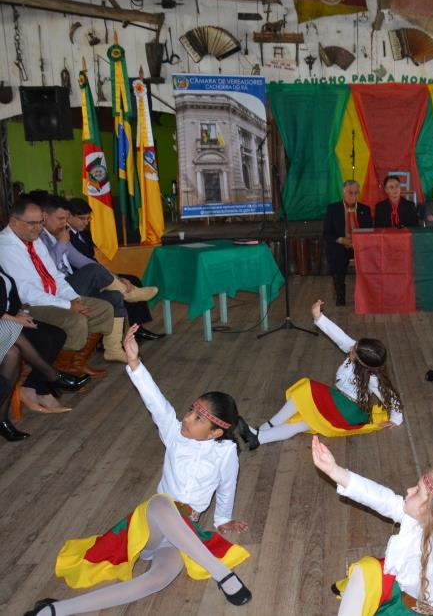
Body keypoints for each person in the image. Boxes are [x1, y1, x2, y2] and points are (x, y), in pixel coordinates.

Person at [25, 325, 252, 615]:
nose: (186, 418)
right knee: (160, 503)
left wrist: (223, 520)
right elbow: (155, 401)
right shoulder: (174, 432)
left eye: (197, 418)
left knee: (156, 580)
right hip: (151, 526)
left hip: (184, 531)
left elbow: (227, 486)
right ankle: (223, 575)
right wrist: (134, 361)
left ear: (214, 434)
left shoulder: (226, 452)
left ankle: (54, 611)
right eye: (190, 410)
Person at [311, 437, 433, 616]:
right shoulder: (414, 520)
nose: (409, 490)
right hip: (398, 596)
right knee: (366, 569)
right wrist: (334, 470)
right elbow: (379, 497)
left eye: (417, 491)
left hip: (424, 613)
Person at [240, 300, 402, 449]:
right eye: (355, 345)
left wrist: (395, 419)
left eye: (354, 350)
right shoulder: (356, 353)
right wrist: (319, 317)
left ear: (363, 362)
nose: (351, 348)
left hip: (348, 412)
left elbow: (390, 396)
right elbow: (340, 336)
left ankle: (264, 429)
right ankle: (259, 436)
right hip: (339, 403)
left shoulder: (373, 378)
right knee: (303, 421)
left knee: (306, 389)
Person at [0, 198, 118, 376]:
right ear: (14, 221)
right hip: (30, 305)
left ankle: (77, 363)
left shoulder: (35, 240)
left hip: (51, 296)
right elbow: (27, 293)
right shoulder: (6, 246)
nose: (38, 228)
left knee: (103, 309)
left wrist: (73, 297)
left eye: (41, 222)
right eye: (32, 223)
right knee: (75, 319)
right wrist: (68, 305)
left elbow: (54, 275)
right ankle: (60, 370)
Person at [0, 268, 88, 434]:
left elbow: (7, 297)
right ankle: (53, 376)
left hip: (6, 321)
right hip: (6, 323)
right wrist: (15, 318)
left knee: (16, 351)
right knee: (15, 338)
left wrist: (18, 312)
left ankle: (2, 418)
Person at [65, 198, 162, 340]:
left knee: (133, 279)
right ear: (69, 216)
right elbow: (83, 263)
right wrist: (115, 277)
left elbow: (93, 260)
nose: (86, 223)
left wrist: (114, 275)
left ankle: (137, 328)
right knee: (119, 290)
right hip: (83, 278)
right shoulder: (65, 236)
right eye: (82, 219)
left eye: (88, 219)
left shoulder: (84, 234)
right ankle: (113, 336)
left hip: (95, 271)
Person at [323, 180, 373, 306]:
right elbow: (327, 233)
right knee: (337, 255)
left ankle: (367, 295)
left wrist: (358, 242)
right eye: (350, 192)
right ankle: (340, 295)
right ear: (343, 192)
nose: (353, 196)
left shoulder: (365, 209)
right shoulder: (333, 209)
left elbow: (370, 232)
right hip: (341, 244)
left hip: (360, 245)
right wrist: (342, 240)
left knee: (370, 255)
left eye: (356, 193)